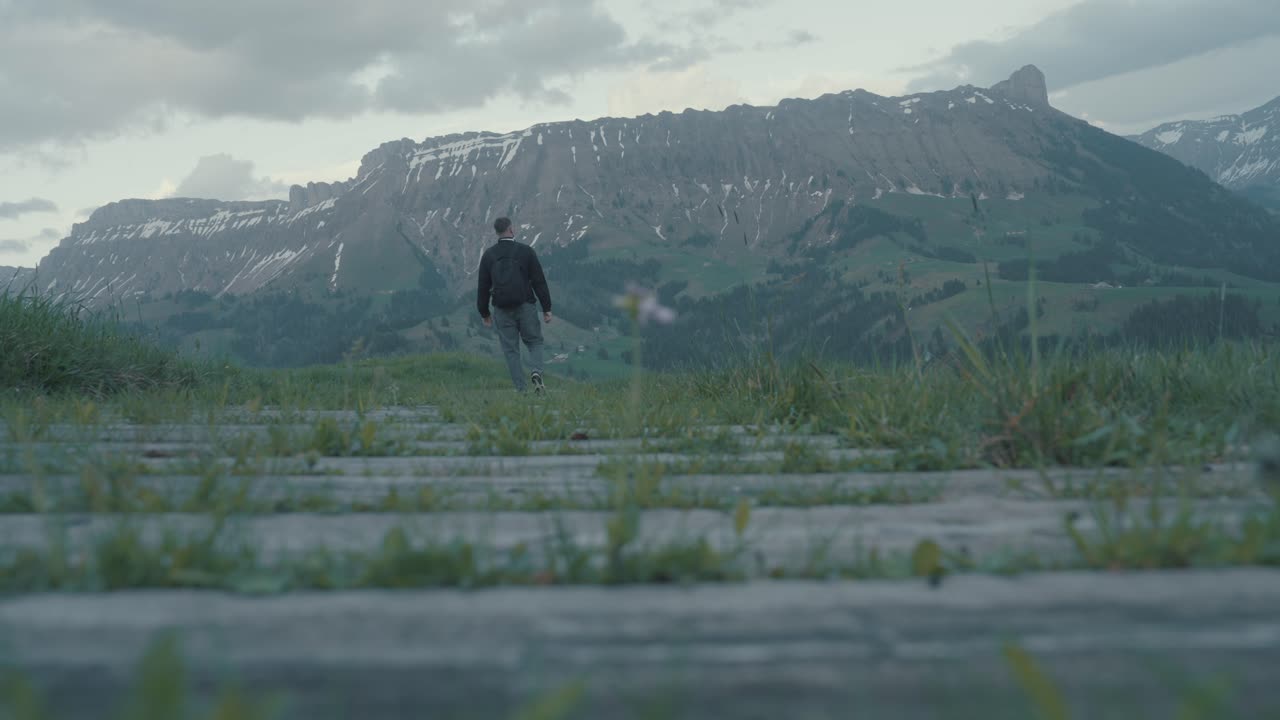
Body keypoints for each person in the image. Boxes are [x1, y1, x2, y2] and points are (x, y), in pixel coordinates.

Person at [477, 217, 553, 393]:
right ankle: (536, 371)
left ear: (497, 232)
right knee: (535, 342)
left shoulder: (489, 255)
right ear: (511, 230)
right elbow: (539, 282)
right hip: (525, 305)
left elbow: (483, 286)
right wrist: (547, 308)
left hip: (501, 309)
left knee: (511, 350)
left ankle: (521, 390)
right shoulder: (526, 252)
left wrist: (484, 313)